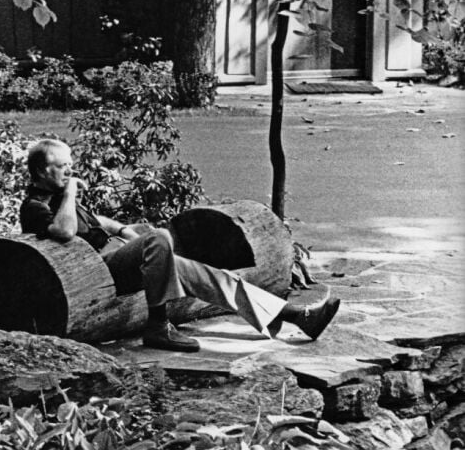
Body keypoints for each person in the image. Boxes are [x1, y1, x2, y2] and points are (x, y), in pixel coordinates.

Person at [20, 139, 340, 353]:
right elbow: (64, 231)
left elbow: (98, 222)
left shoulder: (60, 198)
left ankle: (292, 315)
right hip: (95, 274)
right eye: (62, 166)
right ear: (40, 172)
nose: (70, 170)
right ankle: (158, 326)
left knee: (206, 276)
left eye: (69, 165)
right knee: (159, 238)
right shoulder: (35, 205)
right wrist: (72, 191)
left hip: (114, 255)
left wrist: (125, 231)